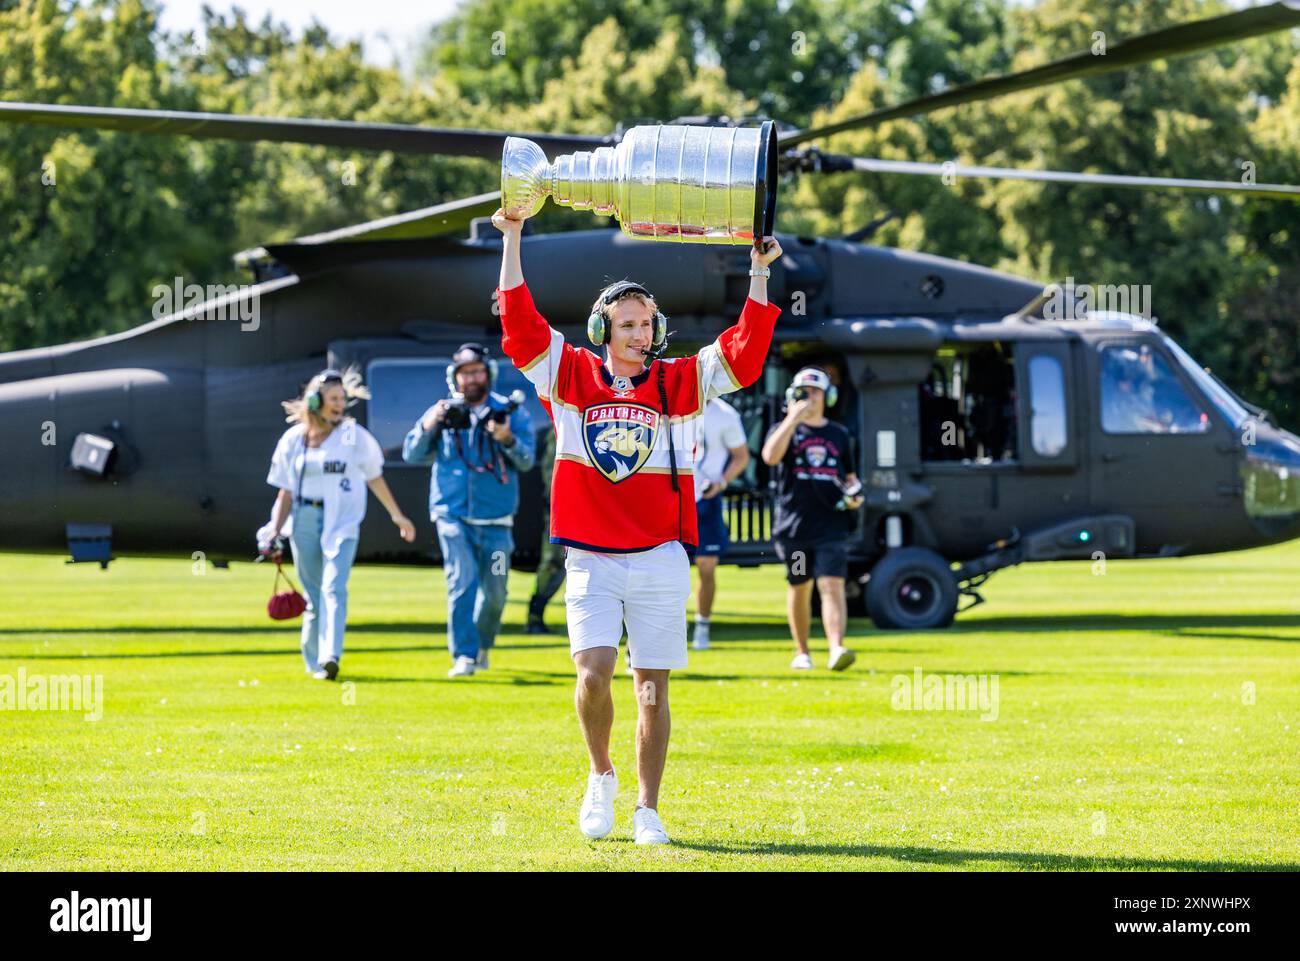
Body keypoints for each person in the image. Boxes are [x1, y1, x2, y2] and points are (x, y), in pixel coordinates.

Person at [492, 206, 783, 844]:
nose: (638, 334)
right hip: (591, 555)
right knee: (593, 672)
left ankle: (648, 807)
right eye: (626, 324)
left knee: (651, 687)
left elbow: (745, 354)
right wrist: (513, 237)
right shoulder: (567, 374)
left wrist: (757, 274)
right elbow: (518, 324)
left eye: (647, 324)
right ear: (603, 328)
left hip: (658, 554)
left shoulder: (681, 381)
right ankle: (601, 776)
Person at [260, 367, 416, 681]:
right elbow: (285, 492)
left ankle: (331, 656)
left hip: (342, 521)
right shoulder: (294, 440)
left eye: (342, 399)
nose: (340, 405)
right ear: (316, 400)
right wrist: (274, 529)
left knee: (334, 587)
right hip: (303, 518)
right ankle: (313, 661)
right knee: (314, 594)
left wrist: (396, 515)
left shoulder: (353, 436)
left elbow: (374, 477)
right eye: (333, 398)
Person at [402, 343, 534, 677]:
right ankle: (463, 654)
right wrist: (429, 424)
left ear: (487, 374)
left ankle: (482, 645)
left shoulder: (509, 411)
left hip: (497, 519)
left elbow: (527, 459)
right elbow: (411, 455)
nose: (472, 379)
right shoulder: (446, 411)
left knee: (496, 590)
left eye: (477, 371)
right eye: (465, 373)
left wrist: (506, 439)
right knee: (462, 581)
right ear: (455, 378)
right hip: (452, 514)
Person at [760, 366, 864, 673]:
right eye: (804, 392)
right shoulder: (784, 429)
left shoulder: (839, 434)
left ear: (827, 396)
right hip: (794, 526)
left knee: (832, 584)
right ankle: (802, 651)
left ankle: (836, 648)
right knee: (800, 585)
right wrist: (793, 419)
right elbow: (770, 457)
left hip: (831, 523)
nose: (810, 398)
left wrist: (855, 493)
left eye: (816, 392)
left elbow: (849, 476)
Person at [690, 396, 750, 651]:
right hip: (670, 499)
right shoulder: (668, 401)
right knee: (663, 568)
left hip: (706, 499)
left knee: (707, 566)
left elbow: (741, 456)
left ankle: (702, 626)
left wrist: (721, 482)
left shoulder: (726, 414)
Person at [525, 424, 566, 634]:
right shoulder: (562, 424)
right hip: (564, 510)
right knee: (553, 563)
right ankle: (535, 615)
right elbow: (552, 471)